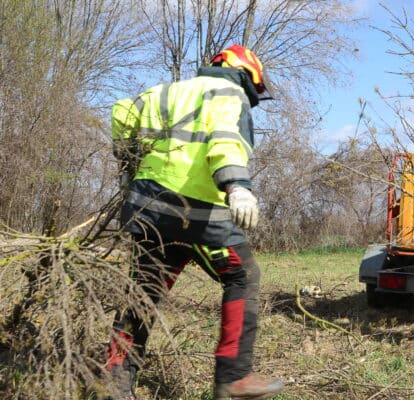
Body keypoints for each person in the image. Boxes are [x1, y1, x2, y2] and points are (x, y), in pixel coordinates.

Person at [105, 44, 284, 400]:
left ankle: (114, 382)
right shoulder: (229, 94)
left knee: (143, 295)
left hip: (149, 212)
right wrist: (238, 186)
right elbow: (225, 139)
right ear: (247, 75)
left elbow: (122, 111)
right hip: (199, 215)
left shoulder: (166, 91)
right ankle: (234, 376)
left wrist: (129, 157)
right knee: (242, 275)